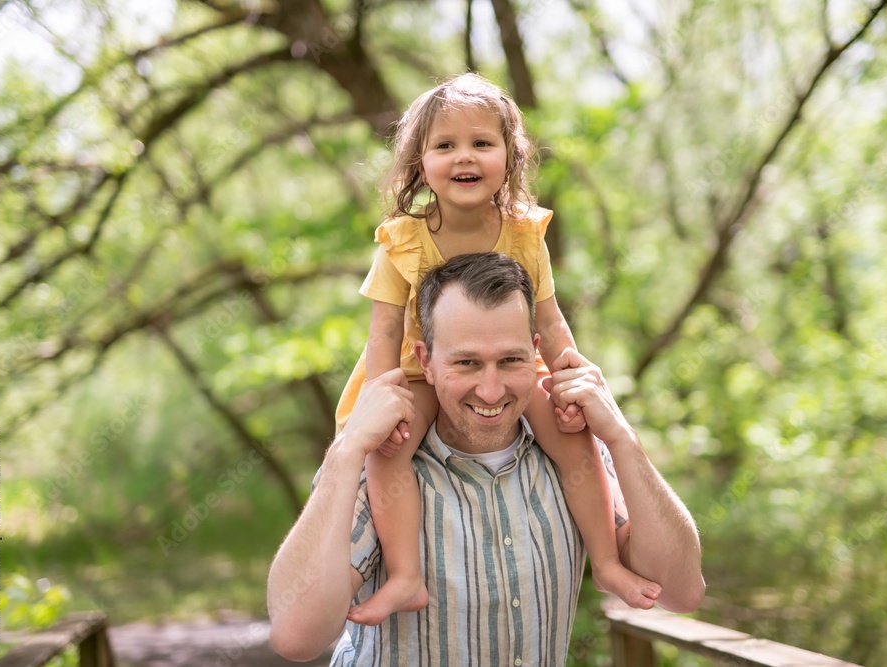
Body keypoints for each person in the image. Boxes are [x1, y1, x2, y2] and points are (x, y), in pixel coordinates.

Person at [267, 252, 705, 665]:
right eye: (467, 363)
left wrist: (623, 438)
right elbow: (297, 636)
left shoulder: (580, 454)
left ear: (535, 352)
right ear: (426, 362)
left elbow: (679, 592)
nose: (491, 391)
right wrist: (345, 451)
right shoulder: (378, 462)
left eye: (511, 360)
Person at [331, 72, 652, 627]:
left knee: (573, 438)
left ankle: (605, 562)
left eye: (482, 142)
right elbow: (382, 334)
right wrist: (382, 404)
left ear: (510, 157)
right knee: (388, 452)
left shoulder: (524, 234)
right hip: (416, 369)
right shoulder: (402, 241)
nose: (465, 156)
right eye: (445, 145)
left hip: (512, 364)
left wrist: (572, 383)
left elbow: (549, 322)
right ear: (420, 163)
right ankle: (405, 576)